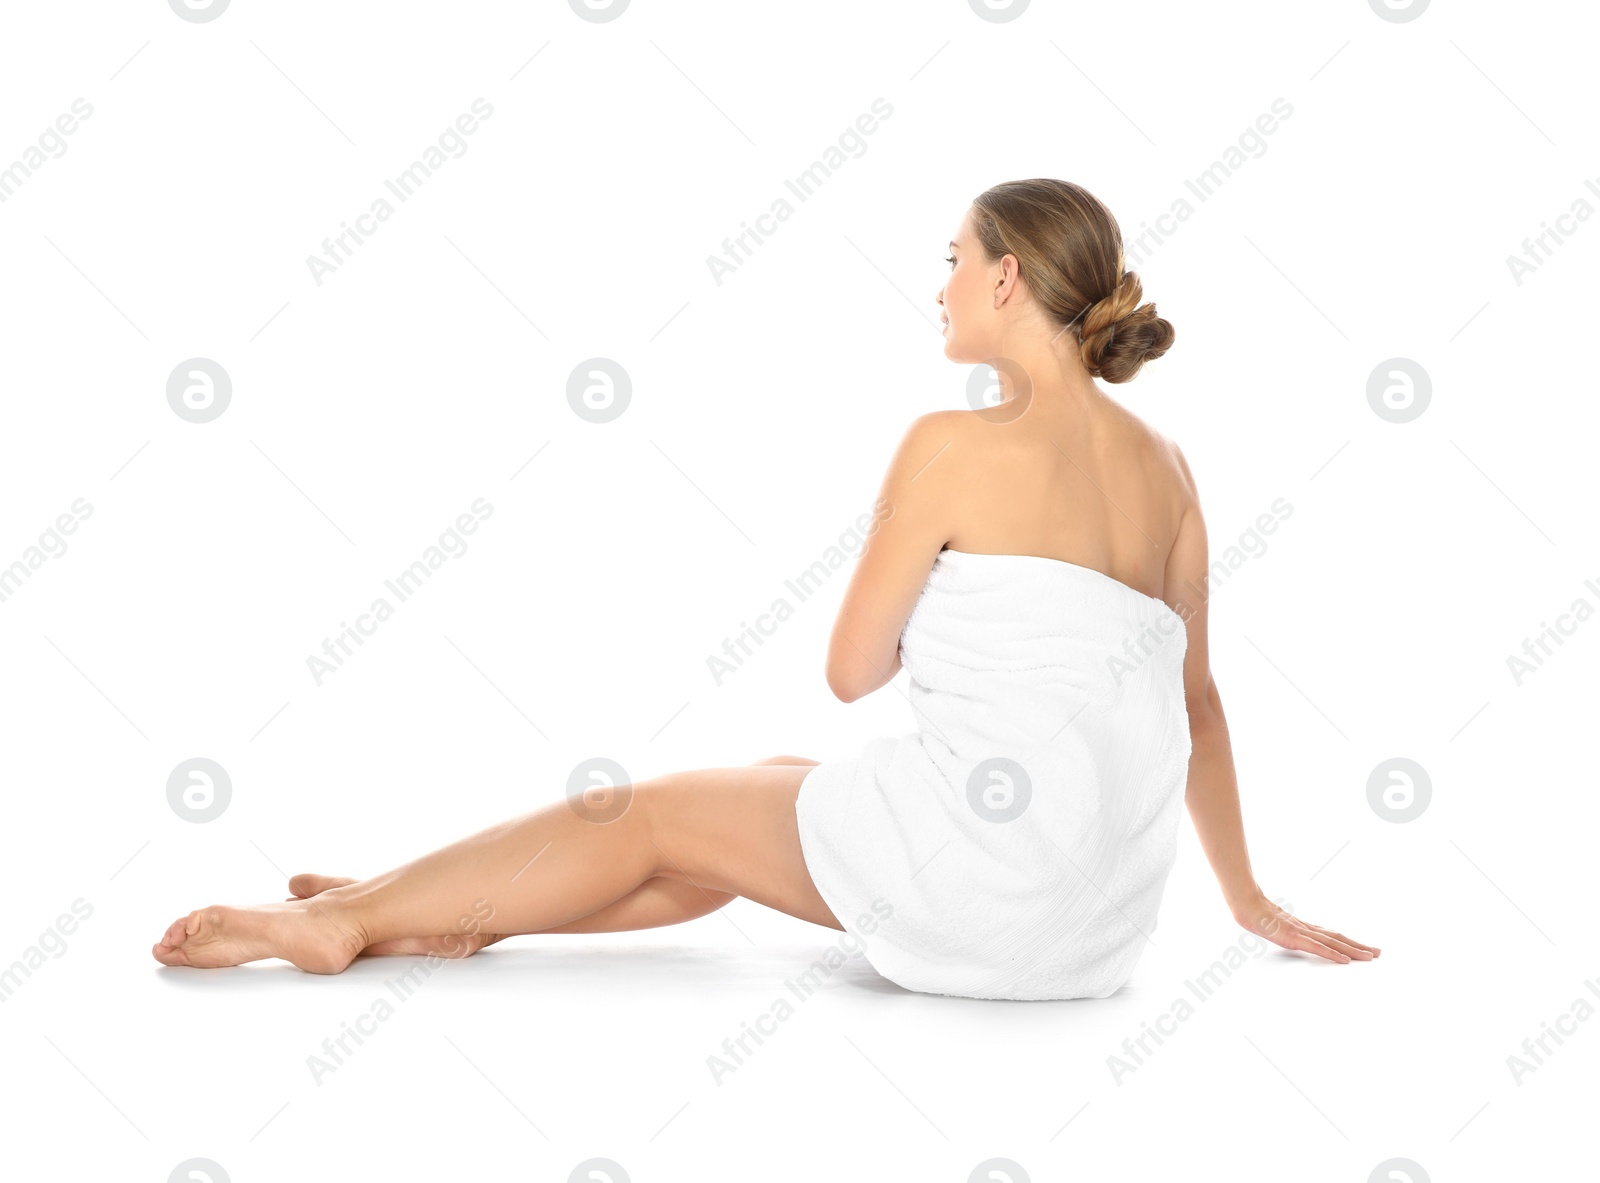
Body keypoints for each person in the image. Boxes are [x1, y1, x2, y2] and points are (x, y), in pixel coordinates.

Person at [153, 178, 1378, 996]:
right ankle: (416, 912)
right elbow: (1198, 706)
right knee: (780, 794)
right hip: (1095, 933)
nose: (939, 282)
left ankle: (341, 920)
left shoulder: (949, 444)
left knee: (643, 810)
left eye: (952, 260)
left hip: (984, 897)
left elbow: (851, 673)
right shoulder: (1168, 469)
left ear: (1007, 281)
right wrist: (1248, 896)